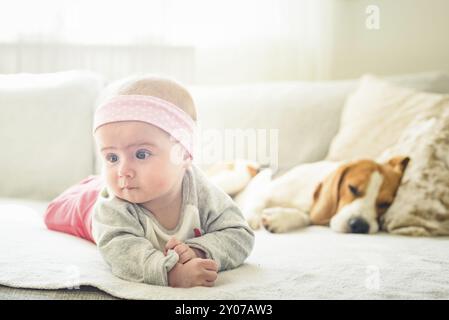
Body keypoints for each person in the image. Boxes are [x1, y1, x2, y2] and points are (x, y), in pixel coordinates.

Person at [44, 75, 255, 288]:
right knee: (54, 212)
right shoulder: (112, 207)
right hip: (90, 205)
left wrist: (198, 250)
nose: (123, 171)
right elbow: (122, 252)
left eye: (142, 154)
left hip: (115, 189)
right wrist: (170, 273)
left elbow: (239, 234)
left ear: (183, 155)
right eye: (112, 158)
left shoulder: (201, 190)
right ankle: (92, 185)